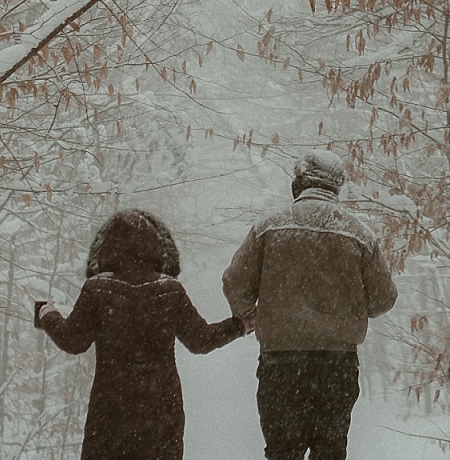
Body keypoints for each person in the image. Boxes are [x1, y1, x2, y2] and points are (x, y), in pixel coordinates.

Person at [222, 150, 397, 460]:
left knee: (283, 451)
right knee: (329, 451)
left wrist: (252, 317)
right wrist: (349, 306)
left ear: (299, 182)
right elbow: (383, 298)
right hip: (337, 364)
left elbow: (235, 282)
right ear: (337, 187)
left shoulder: (268, 226)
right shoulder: (359, 234)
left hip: (281, 362)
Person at [36, 209, 247, 460]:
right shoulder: (170, 290)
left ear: (107, 249)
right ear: (155, 247)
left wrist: (48, 315)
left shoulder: (97, 289)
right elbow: (200, 340)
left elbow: (73, 341)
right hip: (161, 409)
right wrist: (240, 325)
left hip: (111, 410)